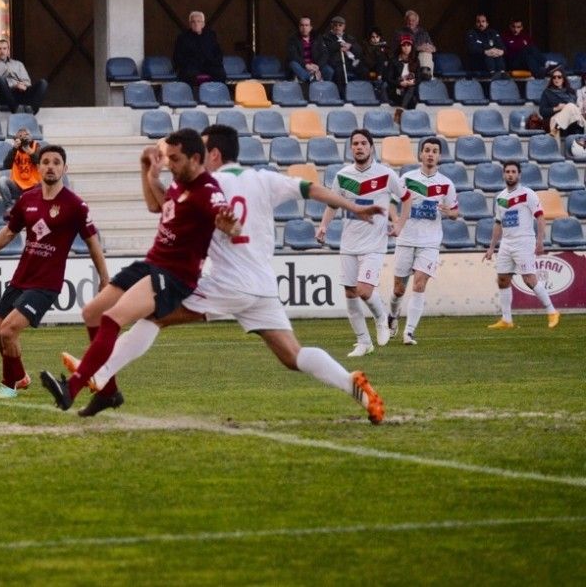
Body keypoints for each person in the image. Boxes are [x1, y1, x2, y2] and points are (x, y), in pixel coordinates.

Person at [53, 124, 387, 424]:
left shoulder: (209, 184)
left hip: (228, 282)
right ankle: (352, 383)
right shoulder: (264, 178)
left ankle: (101, 372)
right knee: (292, 355)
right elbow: (311, 189)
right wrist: (354, 207)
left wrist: (158, 177)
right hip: (262, 285)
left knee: (156, 316)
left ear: (211, 154)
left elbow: (185, 208)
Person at [39, 129, 237, 416]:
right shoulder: (181, 183)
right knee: (92, 313)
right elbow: (155, 205)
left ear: (196, 159)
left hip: (173, 275)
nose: (170, 163)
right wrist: (148, 173)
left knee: (112, 319)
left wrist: (230, 224)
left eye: (175, 158)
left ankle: (71, 389)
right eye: (168, 157)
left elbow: (226, 219)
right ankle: (108, 394)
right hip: (152, 263)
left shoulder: (207, 189)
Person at [0, 145, 107, 400]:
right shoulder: (27, 199)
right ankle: (20, 376)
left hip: (46, 283)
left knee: (9, 331)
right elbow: (9, 232)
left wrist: (105, 279)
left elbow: (93, 242)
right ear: (38, 167)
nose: (50, 166)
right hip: (22, 277)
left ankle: (9, 386)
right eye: (46, 162)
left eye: (56, 162)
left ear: (65, 168)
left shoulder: (75, 205)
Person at [318, 129, 409, 358]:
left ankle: (380, 317)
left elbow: (407, 199)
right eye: (355, 144)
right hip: (348, 243)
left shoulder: (386, 175)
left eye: (363, 143)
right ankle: (363, 342)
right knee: (350, 293)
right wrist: (323, 227)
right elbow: (332, 204)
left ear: (371, 147)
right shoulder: (343, 176)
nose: (359, 147)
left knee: (364, 290)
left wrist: (398, 225)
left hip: (374, 245)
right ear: (351, 148)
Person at [387, 138, 459, 345]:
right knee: (398, 289)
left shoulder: (446, 184)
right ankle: (393, 315)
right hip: (406, 239)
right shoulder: (407, 179)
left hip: (430, 241)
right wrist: (395, 220)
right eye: (427, 150)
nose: (430, 154)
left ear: (439, 156)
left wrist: (450, 212)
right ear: (420, 154)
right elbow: (391, 203)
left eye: (435, 151)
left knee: (419, 284)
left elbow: (455, 212)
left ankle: (409, 332)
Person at [484, 161, 559, 330]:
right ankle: (506, 320)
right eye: (507, 171)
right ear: (503, 175)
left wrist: (540, 241)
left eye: (513, 171)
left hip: (524, 241)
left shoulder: (528, 194)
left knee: (529, 279)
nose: (510, 174)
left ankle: (552, 311)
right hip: (506, 242)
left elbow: (540, 217)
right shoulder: (501, 198)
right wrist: (491, 247)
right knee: (502, 279)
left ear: (519, 174)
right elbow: (498, 223)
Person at [0, 39, 48, 114]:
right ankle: (16, 110)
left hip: (22, 93)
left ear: (8, 50)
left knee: (43, 83)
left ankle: (32, 110)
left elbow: (27, 81)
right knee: (1, 80)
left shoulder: (18, 64)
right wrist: (15, 86)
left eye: (4, 48)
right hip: (6, 94)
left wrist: (23, 85)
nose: (2, 51)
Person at [173, 11, 226, 84]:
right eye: (193, 22)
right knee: (187, 74)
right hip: (192, 66)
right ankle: (190, 95)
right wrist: (188, 64)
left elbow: (218, 52)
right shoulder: (183, 38)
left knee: (220, 73)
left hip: (209, 65)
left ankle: (216, 94)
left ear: (203, 24)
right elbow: (178, 56)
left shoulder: (211, 36)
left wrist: (214, 62)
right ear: (190, 24)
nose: (196, 24)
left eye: (199, 21)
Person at [0, 128, 40, 207]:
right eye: (20, 136)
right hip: (18, 187)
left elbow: (39, 162)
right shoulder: (15, 150)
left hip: (33, 187)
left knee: (44, 184)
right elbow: (6, 166)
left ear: (31, 137)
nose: (24, 138)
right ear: (16, 139)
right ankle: (10, 207)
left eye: (26, 135)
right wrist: (14, 149)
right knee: (2, 180)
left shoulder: (36, 146)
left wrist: (29, 150)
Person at [321, 16, 365, 89]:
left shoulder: (349, 38)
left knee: (364, 70)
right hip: (337, 63)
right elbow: (326, 49)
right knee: (339, 73)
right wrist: (339, 45)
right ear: (331, 26)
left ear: (344, 27)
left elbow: (359, 50)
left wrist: (350, 46)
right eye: (335, 25)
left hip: (351, 62)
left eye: (340, 25)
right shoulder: (326, 37)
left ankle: (361, 93)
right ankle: (342, 95)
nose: (337, 27)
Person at [539, 68, 583, 139]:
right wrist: (557, 108)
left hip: (571, 122)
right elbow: (542, 111)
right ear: (552, 79)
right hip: (552, 119)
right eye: (554, 77)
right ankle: (557, 126)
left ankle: (556, 126)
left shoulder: (571, 92)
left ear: (563, 79)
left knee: (571, 106)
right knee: (570, 106)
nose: (556, 79)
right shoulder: (547, 92)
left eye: (559, 77)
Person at [286, 17, 331, 84]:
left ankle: (324, 89)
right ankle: (310, 78)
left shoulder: (317, 37)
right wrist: (306, 65)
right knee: (293, 64)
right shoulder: (293, 39)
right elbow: (293, 55)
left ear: (310, 27)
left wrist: (317, 66)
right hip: (301, 65)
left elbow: (325, 54)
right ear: (299, 27)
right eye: (302, 25)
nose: (304, 28)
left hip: (315, 65)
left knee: (329, 70)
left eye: (306, 25)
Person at [396, 10, 436, 80]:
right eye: (409, 20)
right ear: (406, 21)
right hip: (407, 56)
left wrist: (430, 48)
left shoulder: (424, 33)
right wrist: (419, 48)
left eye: (413, 20)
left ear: (417, 22)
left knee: (427, 54)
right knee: (425, 54)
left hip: (421, 57)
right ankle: (426, 76)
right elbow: (400, 47)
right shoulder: (401, 33)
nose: (411, 22)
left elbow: (433, 48)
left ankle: (426, 74)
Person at [386, 36, 420, 115]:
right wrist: (400, 83)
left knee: (411, 89)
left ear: (412, 47)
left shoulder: (416, 60)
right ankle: (403, 111)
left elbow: (419, 78)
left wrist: (413, 82)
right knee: (411, 98)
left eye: (408, 45)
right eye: (404, 45)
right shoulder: (394, 60)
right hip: (397, 89)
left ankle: (401, 111)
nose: (406, 48)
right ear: (400, 47)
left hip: (410, 89)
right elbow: (388, 78)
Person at [465, 14, 507, 79]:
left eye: (483, 21)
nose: (481, 23)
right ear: (475, 23)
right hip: (478, 61)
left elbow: (502, 46)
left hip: (494, 60)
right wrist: (485, 52)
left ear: (487, 23)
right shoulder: (471, 33)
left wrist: (500, 51)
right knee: (488, 56)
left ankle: (502, 74)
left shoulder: (493, 32)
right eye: (478, 22)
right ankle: (493, 75)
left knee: (499, 56)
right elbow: (472, 49)